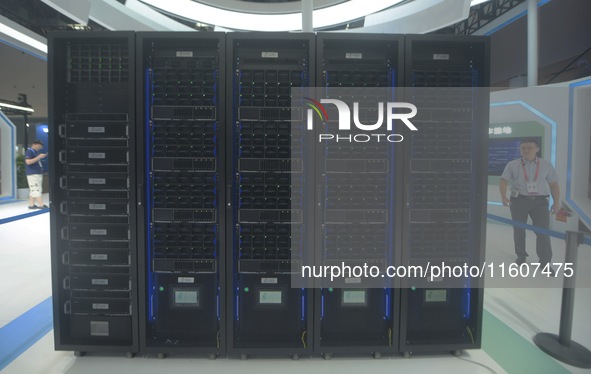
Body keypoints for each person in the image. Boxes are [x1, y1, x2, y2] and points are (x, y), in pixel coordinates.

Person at [499, 138, 560, 267]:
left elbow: (553, 184)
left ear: (537, 149)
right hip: (518, 200)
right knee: (519, 230)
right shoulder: (513, 164)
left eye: (529, 147)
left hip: (540, 202)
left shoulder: (546, 165)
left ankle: (545, 262)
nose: (526, 150)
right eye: (523, 148)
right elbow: (503, 181)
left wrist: (556, 203)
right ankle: (521, 256)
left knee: (543, 232)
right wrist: (503, 197)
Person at [25, 139, 48, 209]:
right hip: (33, 173)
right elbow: (28, 162)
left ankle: (31, 205)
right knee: (36, 189)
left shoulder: (35, 152)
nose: (39, 148)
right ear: (34, 144)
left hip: (37, 173)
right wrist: (39, 157)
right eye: (39, 146)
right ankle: (41, 204)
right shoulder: (29, 151)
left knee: (34, 189)